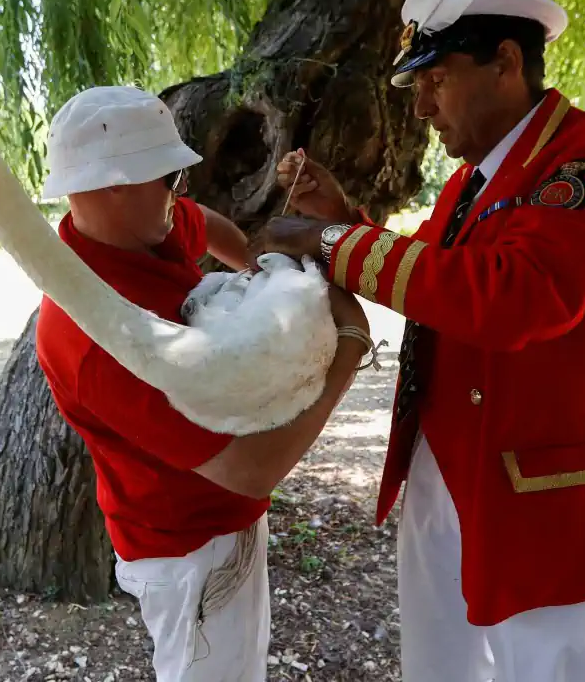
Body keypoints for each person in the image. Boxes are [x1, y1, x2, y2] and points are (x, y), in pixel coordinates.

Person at [250, 0, 585, 682]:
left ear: (506, 61)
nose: (421, 107)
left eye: (435, 80)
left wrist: (330, 240)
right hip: (444, 470)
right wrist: (344, 219)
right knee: (438, 668)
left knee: (540, 670)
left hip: (546, 489)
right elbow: (434, 284)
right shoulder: (470, 183)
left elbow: (512, 295)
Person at [34, 85, 372, 682]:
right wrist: (348, 345)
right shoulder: (93, 339)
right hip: (191, 553)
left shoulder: (143, 229)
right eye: (168, 179)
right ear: (114, 184)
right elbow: (250, 469)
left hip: (221, 524)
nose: (179, 193)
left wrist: (259, 274)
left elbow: (200, 224)